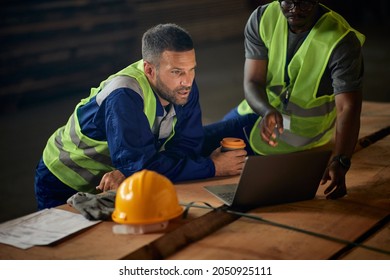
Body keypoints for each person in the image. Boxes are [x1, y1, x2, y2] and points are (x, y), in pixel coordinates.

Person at [34, 23, 247, 210]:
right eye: (176, 71)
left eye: (191, 69)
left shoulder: (182, 87)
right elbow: (142, 166)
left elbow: (187, 147)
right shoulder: (125, 94)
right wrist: (213, 167)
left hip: (112, 179)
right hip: (63, 180)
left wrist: (133, 170)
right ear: (149, 69)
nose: (187, 80)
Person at [202, 1, 365, 199]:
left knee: (193, 145)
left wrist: (340, 160)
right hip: (258, 111)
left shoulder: (341, 41)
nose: (295, 9)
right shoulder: (263, 18)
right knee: (200, 139)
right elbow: (253, 81)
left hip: (297, 132)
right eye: (289, 1)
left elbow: (348, 107)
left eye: (304, 2)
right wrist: (266, 110)